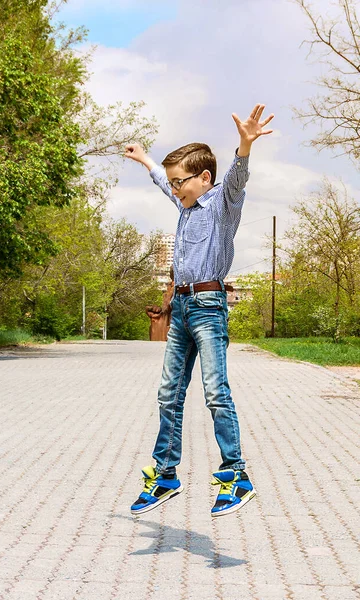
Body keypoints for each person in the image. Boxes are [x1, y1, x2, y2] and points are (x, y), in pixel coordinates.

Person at [125, 104, 274, 517]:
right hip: (182, 307)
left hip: (208, 307)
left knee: (215, 393)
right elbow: (162, 182)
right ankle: (166, 475)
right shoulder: (185, 208)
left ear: (203, 178)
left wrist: (245, 144)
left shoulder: (222, 205)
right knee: (168, 393)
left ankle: (236, 476)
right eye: (172, 184)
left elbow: (237, 178)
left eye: (180, 183)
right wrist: (147, 161)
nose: (174, 190)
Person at [145, 268, 174, 341]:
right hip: (168, 323)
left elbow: (168, 306)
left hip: (173, 324)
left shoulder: (175, 287)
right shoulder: (170, 287)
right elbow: (166, 308)